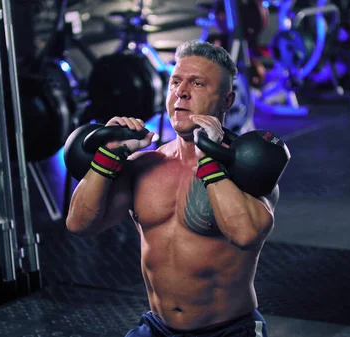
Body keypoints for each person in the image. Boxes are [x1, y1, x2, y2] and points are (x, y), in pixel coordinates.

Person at [66, 40, 279, 336]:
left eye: (198, 83)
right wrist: (109, 155)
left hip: (228, 330)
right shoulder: (145, 165)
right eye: (175, 82)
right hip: (158, 327)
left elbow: (245, 234)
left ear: (227, 100)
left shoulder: (248, 166)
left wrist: (209, 158)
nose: (181, 92)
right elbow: (79, 224)